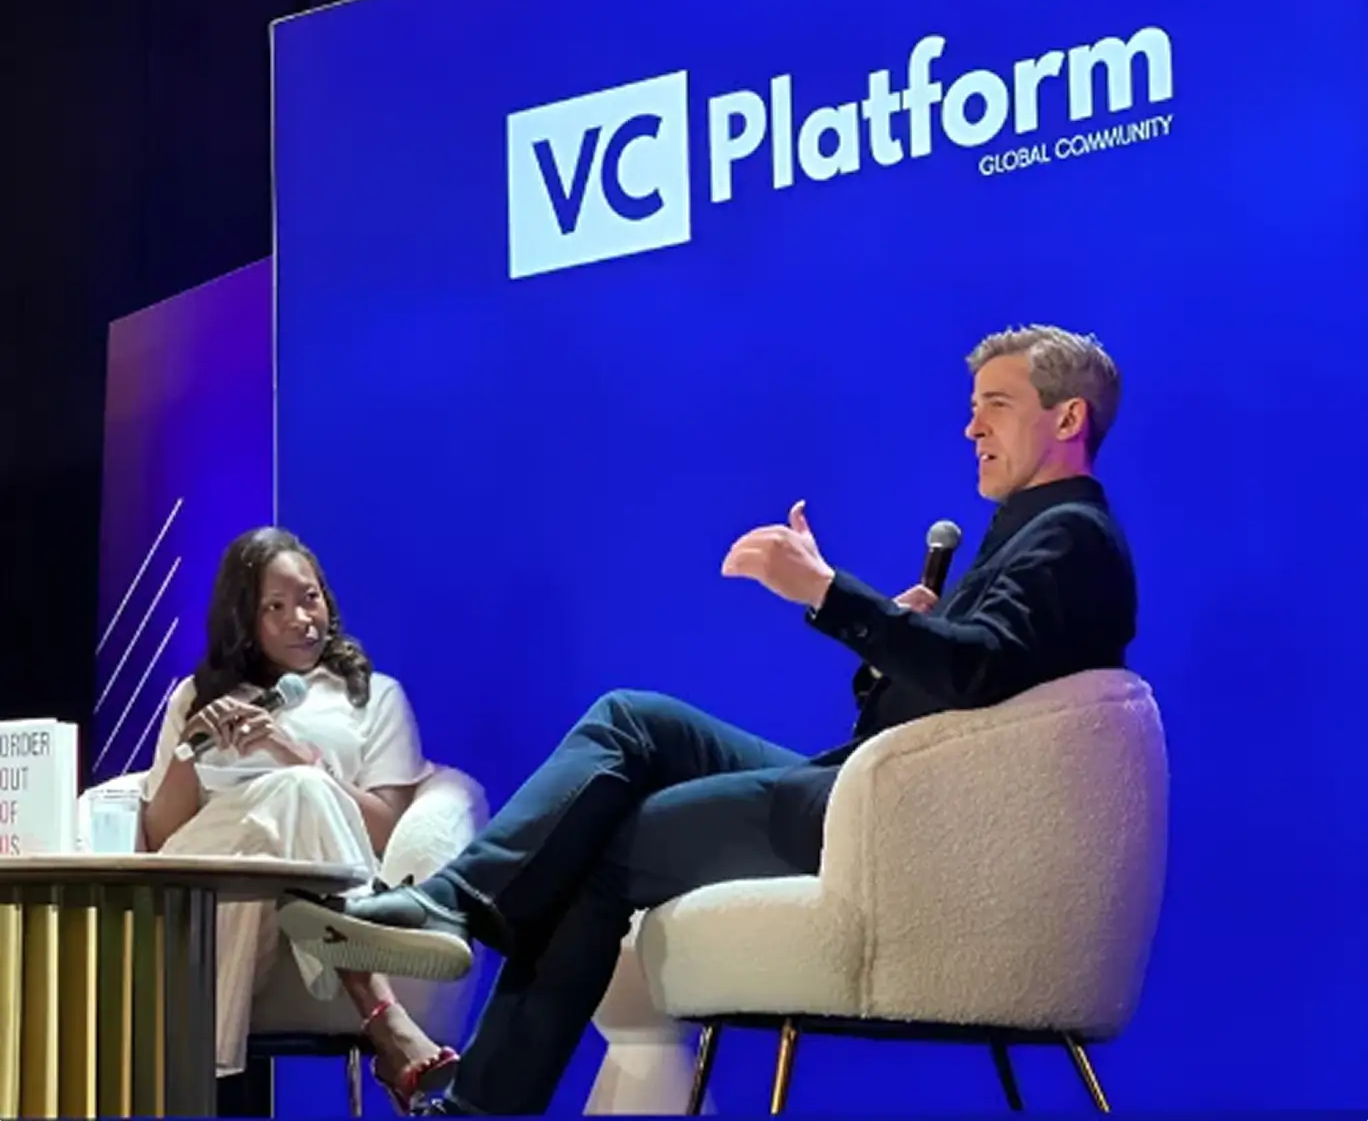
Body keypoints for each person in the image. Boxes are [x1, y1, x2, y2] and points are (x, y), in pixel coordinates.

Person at [278, 324, 1138, 1115]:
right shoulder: (1036, 533)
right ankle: (451, 907)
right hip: (862, 791)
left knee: (601, 846)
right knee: (635, 721)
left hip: (883, 821)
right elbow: (967, 683)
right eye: (972, 408)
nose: (971, 429)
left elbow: (975, 669)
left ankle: (475, 1081)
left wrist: (831, 595)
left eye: (995, 405)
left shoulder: (1069, 535)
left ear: (1067, 417)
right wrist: (899, 644)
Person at [141, 526, 458, 1113]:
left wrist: (302, 758)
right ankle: (381, 1013)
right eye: (275, 607)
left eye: (310, 597)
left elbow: (386, 830)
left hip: (272, 895)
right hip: (207, 879)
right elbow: (161, 838)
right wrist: (193, 748)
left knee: (301, 790)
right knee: (291, 796)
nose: (300, 619)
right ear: (245, 619)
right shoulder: (195, 697)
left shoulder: (372, 696)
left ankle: (199, 1076)